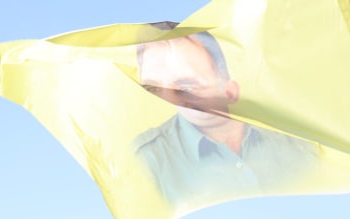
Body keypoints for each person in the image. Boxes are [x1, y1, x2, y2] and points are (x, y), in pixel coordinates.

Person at [134, 33, 320, 206]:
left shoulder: (294, 137)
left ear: (231, 90)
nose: (172, 99)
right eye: (155, 89)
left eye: (187, 86)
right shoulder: (147, 160)